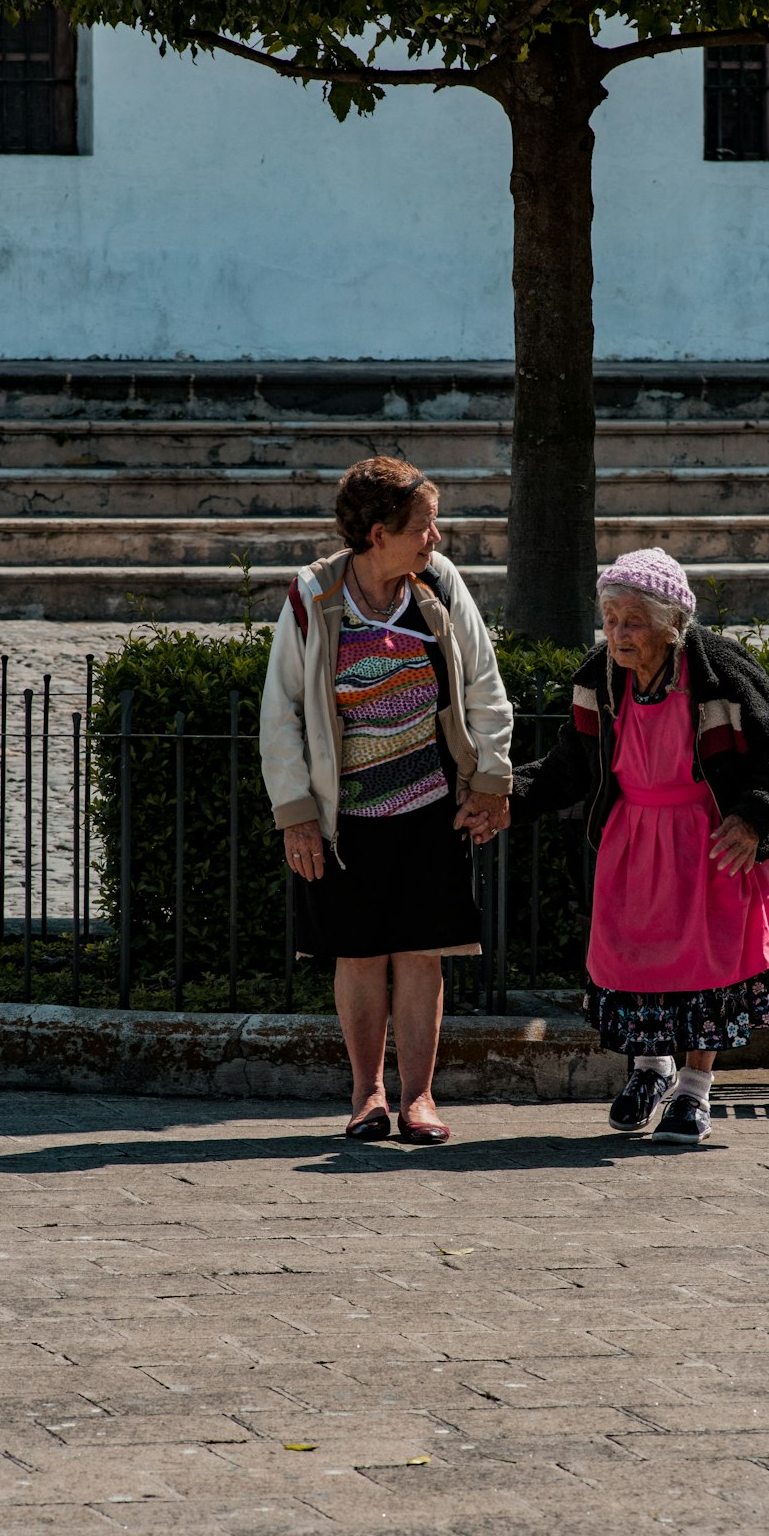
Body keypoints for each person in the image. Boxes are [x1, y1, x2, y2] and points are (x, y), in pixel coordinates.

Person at [509, 548, 769, 1145]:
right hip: (634, 839)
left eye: (634, 621)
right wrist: (509, 799)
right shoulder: (600, 674)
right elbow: (572, 762)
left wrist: (753, 820)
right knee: (634, 960)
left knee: (706, 969)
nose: (618, 633)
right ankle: (650, 1070)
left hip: (710, 839)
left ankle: (695, 1092)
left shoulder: (719, 667)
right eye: (611, 618)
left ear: (672, 624)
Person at [259, 456, 512, 1145]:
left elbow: (483, 683)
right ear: (379, 534)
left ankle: (420, 1098)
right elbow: (280, 711)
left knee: (423, 953)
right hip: (347, 814)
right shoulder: (313, 594)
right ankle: (367, 1094)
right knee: (360, 954)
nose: (436, 539)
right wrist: (297, 813)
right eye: (424, 528)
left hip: (431, 801)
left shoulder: (439, 584)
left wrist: (492, 780)